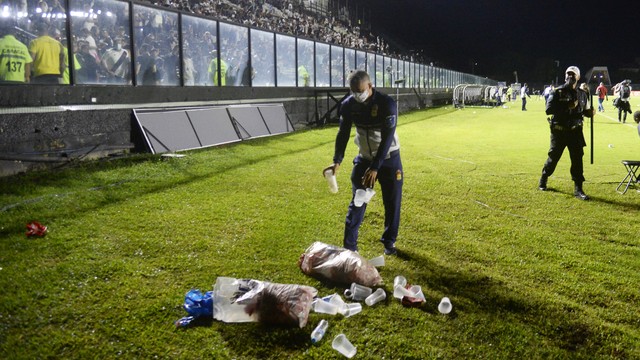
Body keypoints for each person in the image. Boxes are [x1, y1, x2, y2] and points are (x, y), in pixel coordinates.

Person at [323, 70, 403, 254]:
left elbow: (387, 137)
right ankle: (350, 248)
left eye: (361, 90)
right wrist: (337, 161)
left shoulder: (386, 104)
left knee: (392, 202)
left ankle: (389, 243)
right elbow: (343, 133)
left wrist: (375, 167)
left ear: (370, 86)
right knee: (358, 200)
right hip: (364, 159)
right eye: (354, 91)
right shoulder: (348, 105)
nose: (358, 95)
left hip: (389, 158)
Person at [538, 66, 594, 200]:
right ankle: (544, 178)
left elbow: (584, 111)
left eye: (573, 75)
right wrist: (566, 106)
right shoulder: (557, 92)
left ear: (578, 77)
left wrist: (590, 113)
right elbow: (549, 109)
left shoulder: (582, 94)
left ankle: (578, 188)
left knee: (577, 160)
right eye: (568, 74)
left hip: (576, 132)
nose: (570, 77)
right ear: (565, 76)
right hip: (559, 131)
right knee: (554, 157)